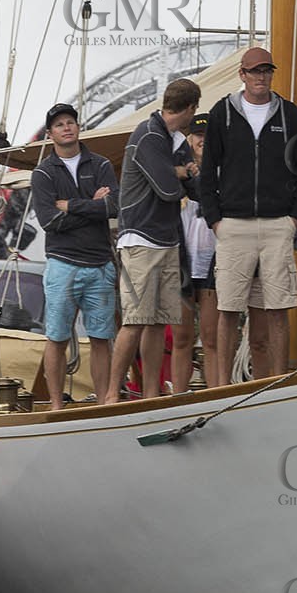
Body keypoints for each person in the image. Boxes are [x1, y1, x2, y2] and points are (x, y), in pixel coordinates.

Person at [199, 46, 297, 385]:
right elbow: (208, 170)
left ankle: (278, 381)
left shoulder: (289, 113)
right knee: (229, 308)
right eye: (255, 71)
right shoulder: (223, 113)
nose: (261, 77)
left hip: (278, 223)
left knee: (278, 306)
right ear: (242, 75)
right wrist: (215, 218)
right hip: (233, 224)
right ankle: (221, 386)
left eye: (266, 71)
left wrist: (295, 217)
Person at [102, 78, 202, 405]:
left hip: (166, 238)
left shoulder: (174, 140)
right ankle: (111, 395)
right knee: (135, 321)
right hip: (141, 238)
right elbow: (169, 189)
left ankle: (150, 394)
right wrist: (184, 172)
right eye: (194, 110)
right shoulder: (146, 136)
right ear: (189, 108)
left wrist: (185, 172)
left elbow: (195, 188)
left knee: (158, 322)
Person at [30, 102, 119, 410]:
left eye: (71, 122)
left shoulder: (101, 164)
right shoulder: (43, 173)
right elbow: (48, 221)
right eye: (59, 124)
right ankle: (56, 405)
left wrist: (69, 204)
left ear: (78, 127)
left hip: (100, 264)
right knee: (56, 338)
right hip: (62, 264)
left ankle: (104, 403)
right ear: (51, 134)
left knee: (101, 337)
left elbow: (113, 207)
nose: (66, 127)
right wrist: (91, 206)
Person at [173, 113, 218, 392]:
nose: (203, 140)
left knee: (213, 338)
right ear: (190, 139)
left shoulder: (225, 172)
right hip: (182, 262)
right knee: (181, 338)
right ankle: (177, 397)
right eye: (199, 135)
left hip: (215, 263)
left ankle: (216, 395)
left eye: (209, 136)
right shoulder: (175, 173)